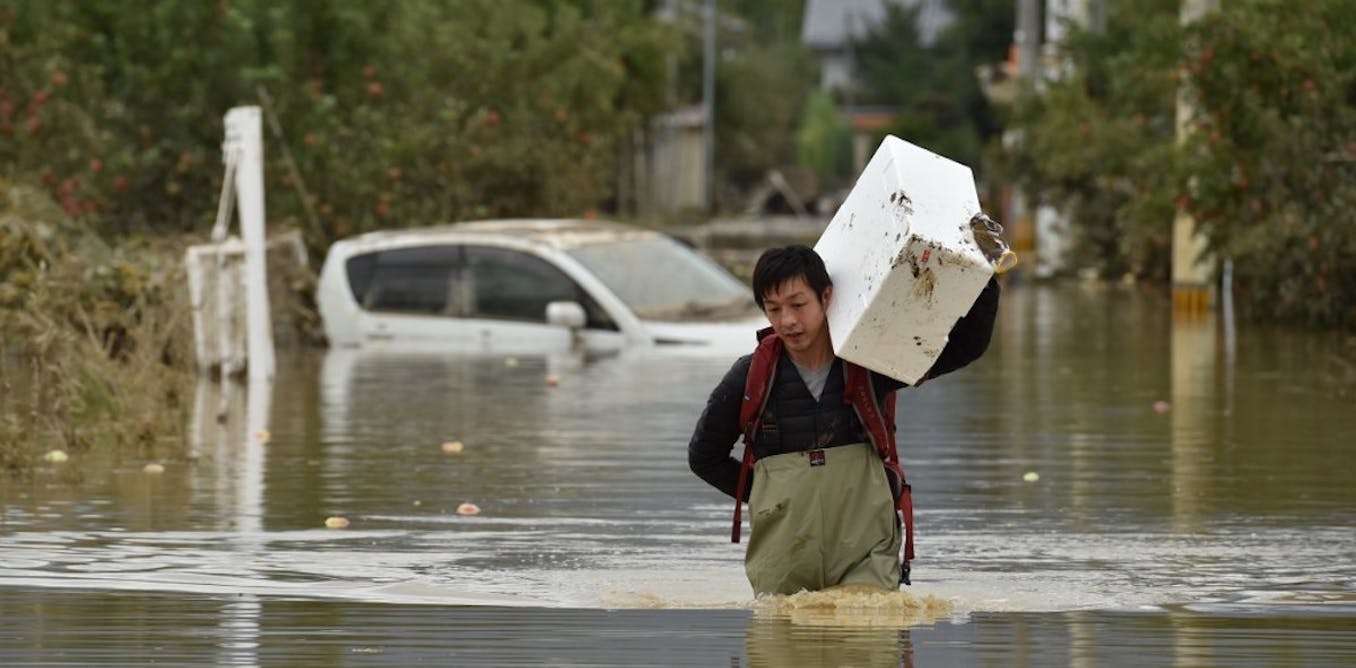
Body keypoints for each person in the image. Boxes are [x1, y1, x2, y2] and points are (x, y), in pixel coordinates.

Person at [688, 245, 999, 595]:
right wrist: (767, 498)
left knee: (867, 634)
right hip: (784, 556)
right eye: (773, 309)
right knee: (781, 644)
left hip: (866, 551)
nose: (787, 320)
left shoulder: (869, 362)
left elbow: (966, 345)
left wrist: (981, 274)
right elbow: (704, 457)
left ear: (826, 297)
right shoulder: (749, 377)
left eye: (798, 305)